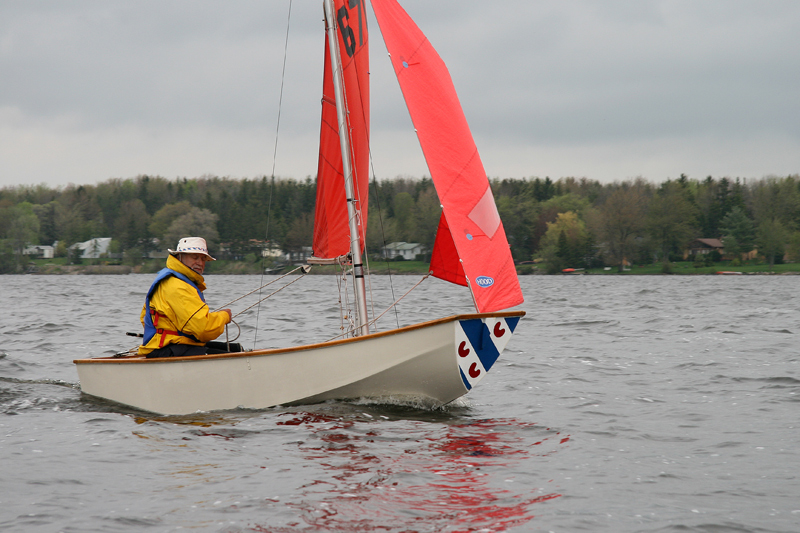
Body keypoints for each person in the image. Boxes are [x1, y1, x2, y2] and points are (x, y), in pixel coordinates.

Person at [138, 237, 232, 358]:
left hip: (170, 346)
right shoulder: (177, 286)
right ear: (179, 257)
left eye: (203, 259)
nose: (200, 262)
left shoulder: (175, 281)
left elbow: (144, 318)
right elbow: (203, 329)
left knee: (235, 349)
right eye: (194, 257)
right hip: (165, 350)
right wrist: (224, 316)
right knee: (233, 354)